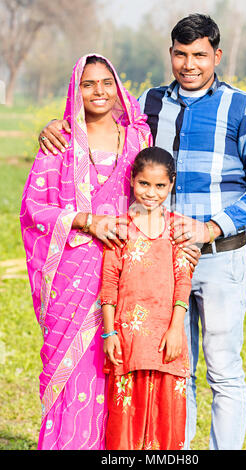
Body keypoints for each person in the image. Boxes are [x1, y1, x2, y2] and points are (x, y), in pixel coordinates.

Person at [37, 13, 246, 451]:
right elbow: (97, 112)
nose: (190, 64)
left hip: (218, 256)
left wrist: (210, 227)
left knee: (223, 369)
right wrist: (58, 126)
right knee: (173, 369)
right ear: (171, 54)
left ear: (216, 56)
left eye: (200, 55)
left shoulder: (243, 107)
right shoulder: (149, 103)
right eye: (181, 54)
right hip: (155, 266)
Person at [20, 53, 153, 450]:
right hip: (71, 275)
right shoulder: (59, 142)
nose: (99, 91)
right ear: (75, 91)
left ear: (119, 88)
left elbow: (155, 195)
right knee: (71, 370)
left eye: (106, 82)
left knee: (118, 367)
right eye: (88, 83)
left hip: (124, 271)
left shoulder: (138, 139)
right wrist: (85, 221)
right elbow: (33, 208)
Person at [100, 146, 192, 450]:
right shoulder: (120, 227)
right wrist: (110, 332)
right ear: (131, 180)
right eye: (144, 184)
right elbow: (110, 282)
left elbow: (183, 282)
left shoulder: (179, 228)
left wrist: (177, 328)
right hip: (128, 341)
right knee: (124, 422)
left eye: (160, 186)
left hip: (168, 340)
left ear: (172, 184)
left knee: (166, 422)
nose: (151, 192)